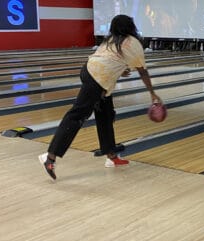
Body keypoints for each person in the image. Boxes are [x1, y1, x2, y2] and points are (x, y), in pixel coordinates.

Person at [38, 15, 161, 180]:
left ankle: (111, 156)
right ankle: (50, 156)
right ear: (131, 27)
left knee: (106, 114)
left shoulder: (110, 40)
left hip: (90, 71)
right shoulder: (133, 42)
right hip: (98, 79)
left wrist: (120, 70)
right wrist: (152, 93)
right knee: (78, 114)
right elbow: (142, 71)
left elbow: (111, 60)